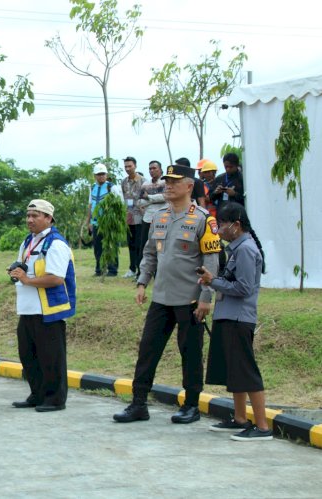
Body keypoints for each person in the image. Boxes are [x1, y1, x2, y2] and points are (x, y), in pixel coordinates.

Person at [113, 164, 221, 425]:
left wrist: (206, 297)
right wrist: (142, 283)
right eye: (167, 181)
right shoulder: (159, 216)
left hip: (190, 299)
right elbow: (150, 253)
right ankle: (138, 403)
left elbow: (211, 260)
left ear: (189, 186)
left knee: (191, 353)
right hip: (161, 297)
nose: (168, 186)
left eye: (174, 181)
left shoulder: (204, 219)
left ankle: (191, 405)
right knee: (147, 350)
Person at [199, 203, 272, 441]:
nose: (219, 230)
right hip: (228, 316)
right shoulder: (237, 249)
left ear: (236, 225)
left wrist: (213, 282)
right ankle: (240, 418)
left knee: (247, 371)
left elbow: (244, 288)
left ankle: (262, 427)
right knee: (235, 371)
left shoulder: (246, 250)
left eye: (222, 225)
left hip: (239, 318)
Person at [9, 199, 76, 412]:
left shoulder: (55, 243)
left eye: (35, 215)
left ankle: (55, 399)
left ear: (48, 218)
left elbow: (56, 278)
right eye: (28, 215)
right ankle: (37, 394)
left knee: (51, 357)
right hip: (27, 308)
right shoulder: (28, 241)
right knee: (28, 355)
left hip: (48, 310)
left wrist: (27, 280)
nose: (30, 220)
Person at [85, 163, 124, 277]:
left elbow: (120, 204)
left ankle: (112, 270)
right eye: (98, 174)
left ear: (106, 175)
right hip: (96, 222)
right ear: (95, 176)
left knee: (111, 246)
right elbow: (90, 205)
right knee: (98, 247)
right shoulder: (92, 187)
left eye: (103, 174)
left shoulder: (112, 187)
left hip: (109, 223)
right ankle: (99, 269)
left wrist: (116, 221)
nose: (101, 176)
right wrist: (89, 222)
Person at [137, 160, 166, 276]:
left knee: (160, 247)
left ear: (160, 169)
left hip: (162, 219)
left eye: (154, 168)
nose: (152, 171)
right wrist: (154, 200)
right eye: (150, 169)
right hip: (147, 218)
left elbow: (166, 197)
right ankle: (142, 272)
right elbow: (139, 201)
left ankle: (158, 273)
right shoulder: (145, 184)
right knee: (144, 246)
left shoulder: (165, 182)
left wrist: (149, 197)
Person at [121, 156, 145, 279]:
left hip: (140, 217)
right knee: (131, 244)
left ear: (135, 166)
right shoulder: (124, 182)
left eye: (129, 166)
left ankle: (140, 271)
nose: (127, 168)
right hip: (129, 217)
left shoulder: (143, 181)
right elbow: (125, 199)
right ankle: (132, 268)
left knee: (139, 245)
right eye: (125, 166)